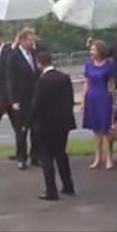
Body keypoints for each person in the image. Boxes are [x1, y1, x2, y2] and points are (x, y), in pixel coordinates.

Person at [29, 50, 76, 200]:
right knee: (61, 153)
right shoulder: (64, 78)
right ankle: (68, 185)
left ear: (39, 64)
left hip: (46, 124)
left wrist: (29, 122)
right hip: (62, 123)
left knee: (47, 157)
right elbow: (70, 101)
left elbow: (37, 104)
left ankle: (51, 190)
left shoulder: (43, 81)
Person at [82, 39, 117, 170]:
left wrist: (113, 101)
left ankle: (108, 158)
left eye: (93, 49)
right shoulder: (88, 64)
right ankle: (97, 157)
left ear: (100, 51)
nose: (91, 51)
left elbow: (111, 84)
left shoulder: (109, 65)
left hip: (104, 97)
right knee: (96, 130)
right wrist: (83, 100)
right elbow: (86, 82)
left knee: (106, 129)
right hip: (92, 97)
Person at [8, 27, 39, 169]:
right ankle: (21, 157)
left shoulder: (35, 53)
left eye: (33, 40)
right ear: (22, 40)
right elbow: (11, 80)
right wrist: (14, 100)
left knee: (37, 129)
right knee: (22, 130)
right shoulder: (14, 57)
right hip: (21, 99)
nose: (32, 42)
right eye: (30, 40)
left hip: (35, 97)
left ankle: (35, 156)